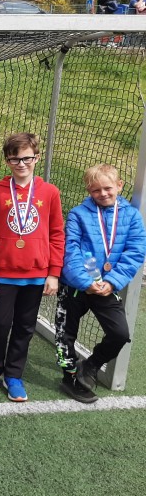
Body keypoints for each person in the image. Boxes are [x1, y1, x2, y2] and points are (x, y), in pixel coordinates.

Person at [0, 132, 65, 402]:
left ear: (37, 158)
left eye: (27, 158)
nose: (21, 164)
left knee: (25, 327)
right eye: (15, 159)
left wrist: (53, 273)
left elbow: (57, 234)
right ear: (7, 160)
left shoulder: (50, 192)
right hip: (3, 273)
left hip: (37, 275)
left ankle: (14, 374)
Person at [55, 164, 146, 403]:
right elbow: (70, 250)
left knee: (120, 333)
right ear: (89, 190)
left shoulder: (131, 216)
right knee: (65, 335)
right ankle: (69, 378)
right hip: (76, 286)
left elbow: (135, 252)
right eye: (96, 190)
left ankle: (91, 365)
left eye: (107, 188)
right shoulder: (78, 214)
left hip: (106, 287)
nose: (103, 194)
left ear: (119, 186)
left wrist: (113, 281)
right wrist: (84, 281)